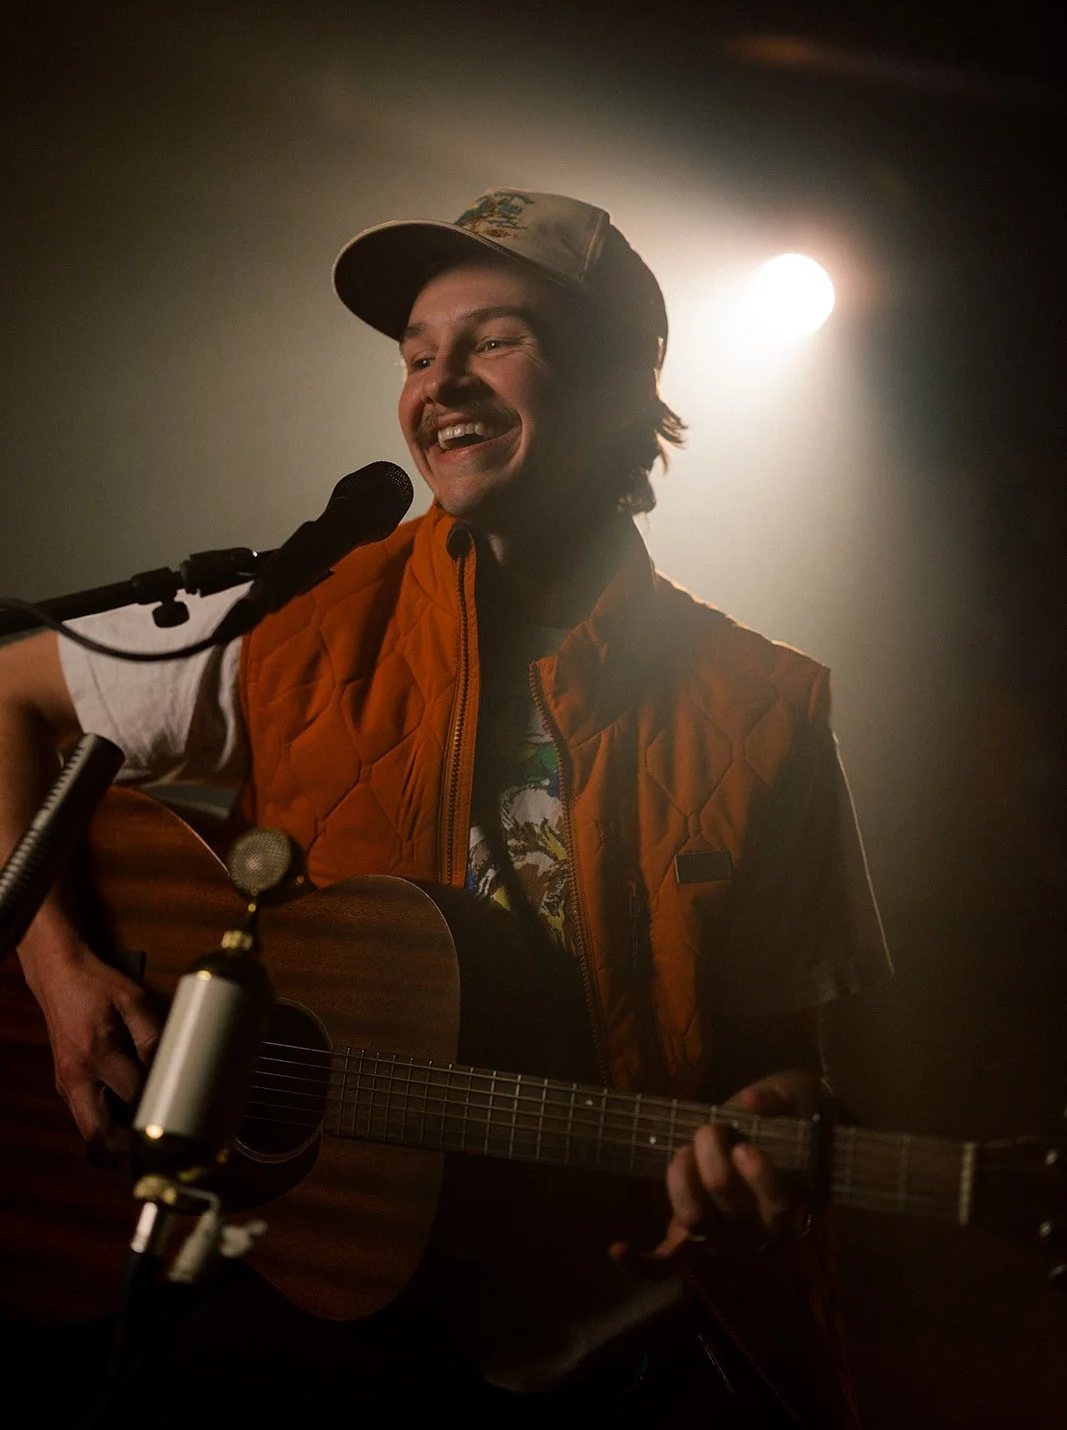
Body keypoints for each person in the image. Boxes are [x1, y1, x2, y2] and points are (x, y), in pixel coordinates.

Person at [0, 188, 891, 1425]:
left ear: (624, 381)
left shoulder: (762, 708)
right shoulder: (303, 620)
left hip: (607, 1331)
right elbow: (4, 694)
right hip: (321, 1304)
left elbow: (783, 1069)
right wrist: (58, 978)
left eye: (494, 339)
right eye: (418, 353)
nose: (439, 383)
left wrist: (763, 1132)